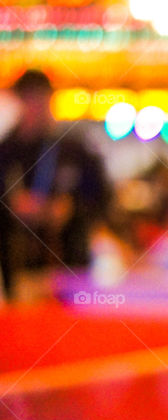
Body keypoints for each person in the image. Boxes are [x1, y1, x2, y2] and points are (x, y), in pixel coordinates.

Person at [0, 69, 111, 301]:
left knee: (71, 330)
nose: (36, 107)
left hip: (70, 264)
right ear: (19, 101)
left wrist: (70, 209)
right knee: (25, 332)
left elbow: (103, 199)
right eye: (29, 98)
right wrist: (13, 208)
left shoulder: (74, 149)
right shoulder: (7, 151)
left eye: (41, 98)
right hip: (20, 265)